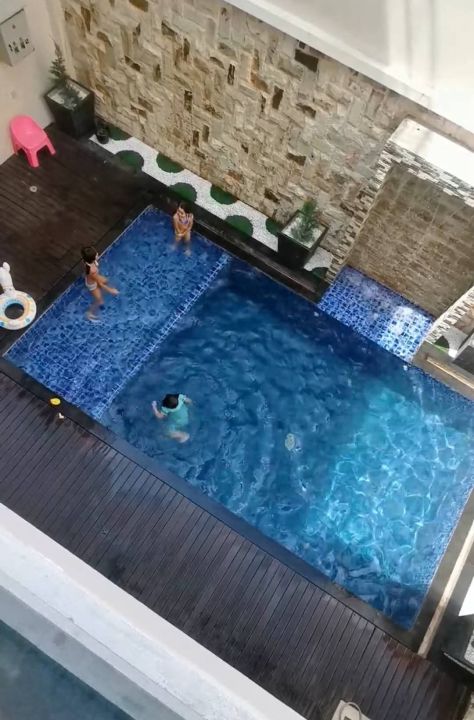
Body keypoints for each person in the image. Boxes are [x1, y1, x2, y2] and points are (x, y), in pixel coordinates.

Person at [81, 246, 119, 322]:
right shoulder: (92, 270)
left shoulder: (87, 262)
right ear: (92, 259)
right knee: (99, 300)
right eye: (96, 254)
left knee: (106, 281)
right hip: (92, 285)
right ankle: (89, 313)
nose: (97, 254)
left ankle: (86, 277)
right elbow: (100, 284)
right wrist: (111, 290)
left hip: (93, 277)